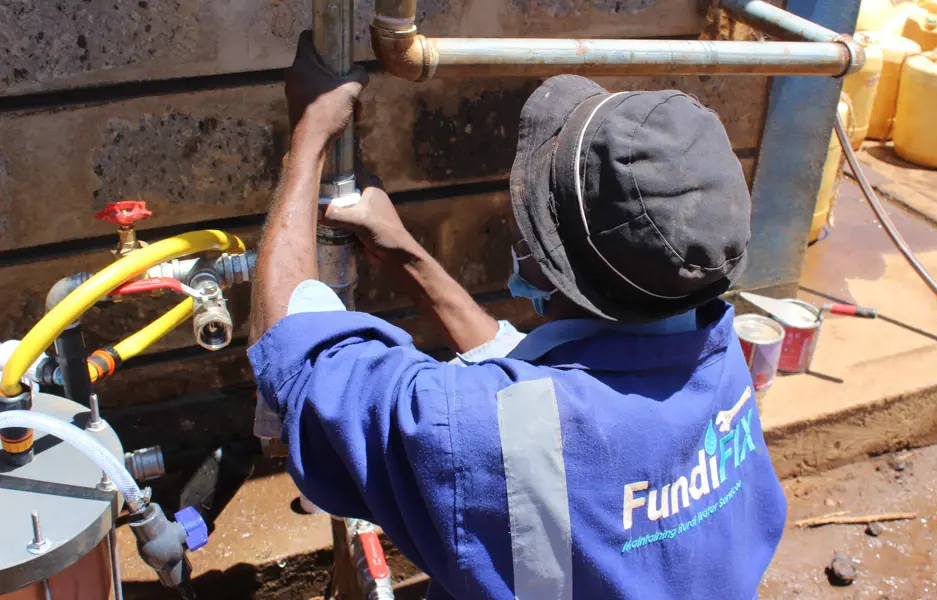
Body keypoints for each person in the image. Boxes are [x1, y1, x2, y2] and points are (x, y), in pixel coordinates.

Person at [248, 31, 787, 600]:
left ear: (556, 270)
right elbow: (542, 403)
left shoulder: (468, 432)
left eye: (532, 219)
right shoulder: (716, 357)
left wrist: (307, 137)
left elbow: (293, 356)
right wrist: (406, 255)